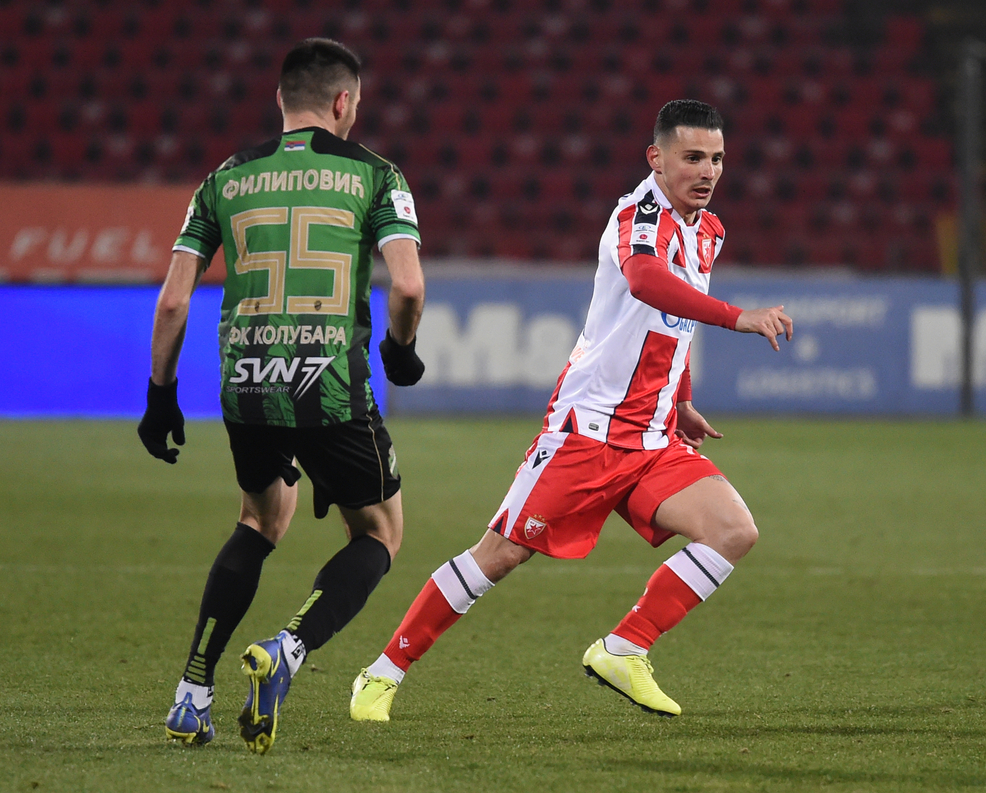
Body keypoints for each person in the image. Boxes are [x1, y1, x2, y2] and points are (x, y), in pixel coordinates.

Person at [347, 99, 793, 722]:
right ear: (656, 160)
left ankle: (624, 647)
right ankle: (382, 673)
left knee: (733, 531)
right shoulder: (638, 216)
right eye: (692, 157)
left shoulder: (707, 230)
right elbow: (644, 281)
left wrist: (683, 400)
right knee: (500, 554)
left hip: (654, 438)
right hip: (588, 430)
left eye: (717, 158)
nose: (708, 170)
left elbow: (675, 321)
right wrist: (738, 317)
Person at [137, 38, 427, 754]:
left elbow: (174, 301)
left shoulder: (225, 177)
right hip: (327, 384)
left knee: (263, 517)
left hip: (247, 380)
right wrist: (399, 349)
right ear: (343, 102)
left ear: (280, 100)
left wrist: (159, 396)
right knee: (380, 534)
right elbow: (410, 284)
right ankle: (287, 649)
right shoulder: (377, 175)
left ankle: (191, 691)